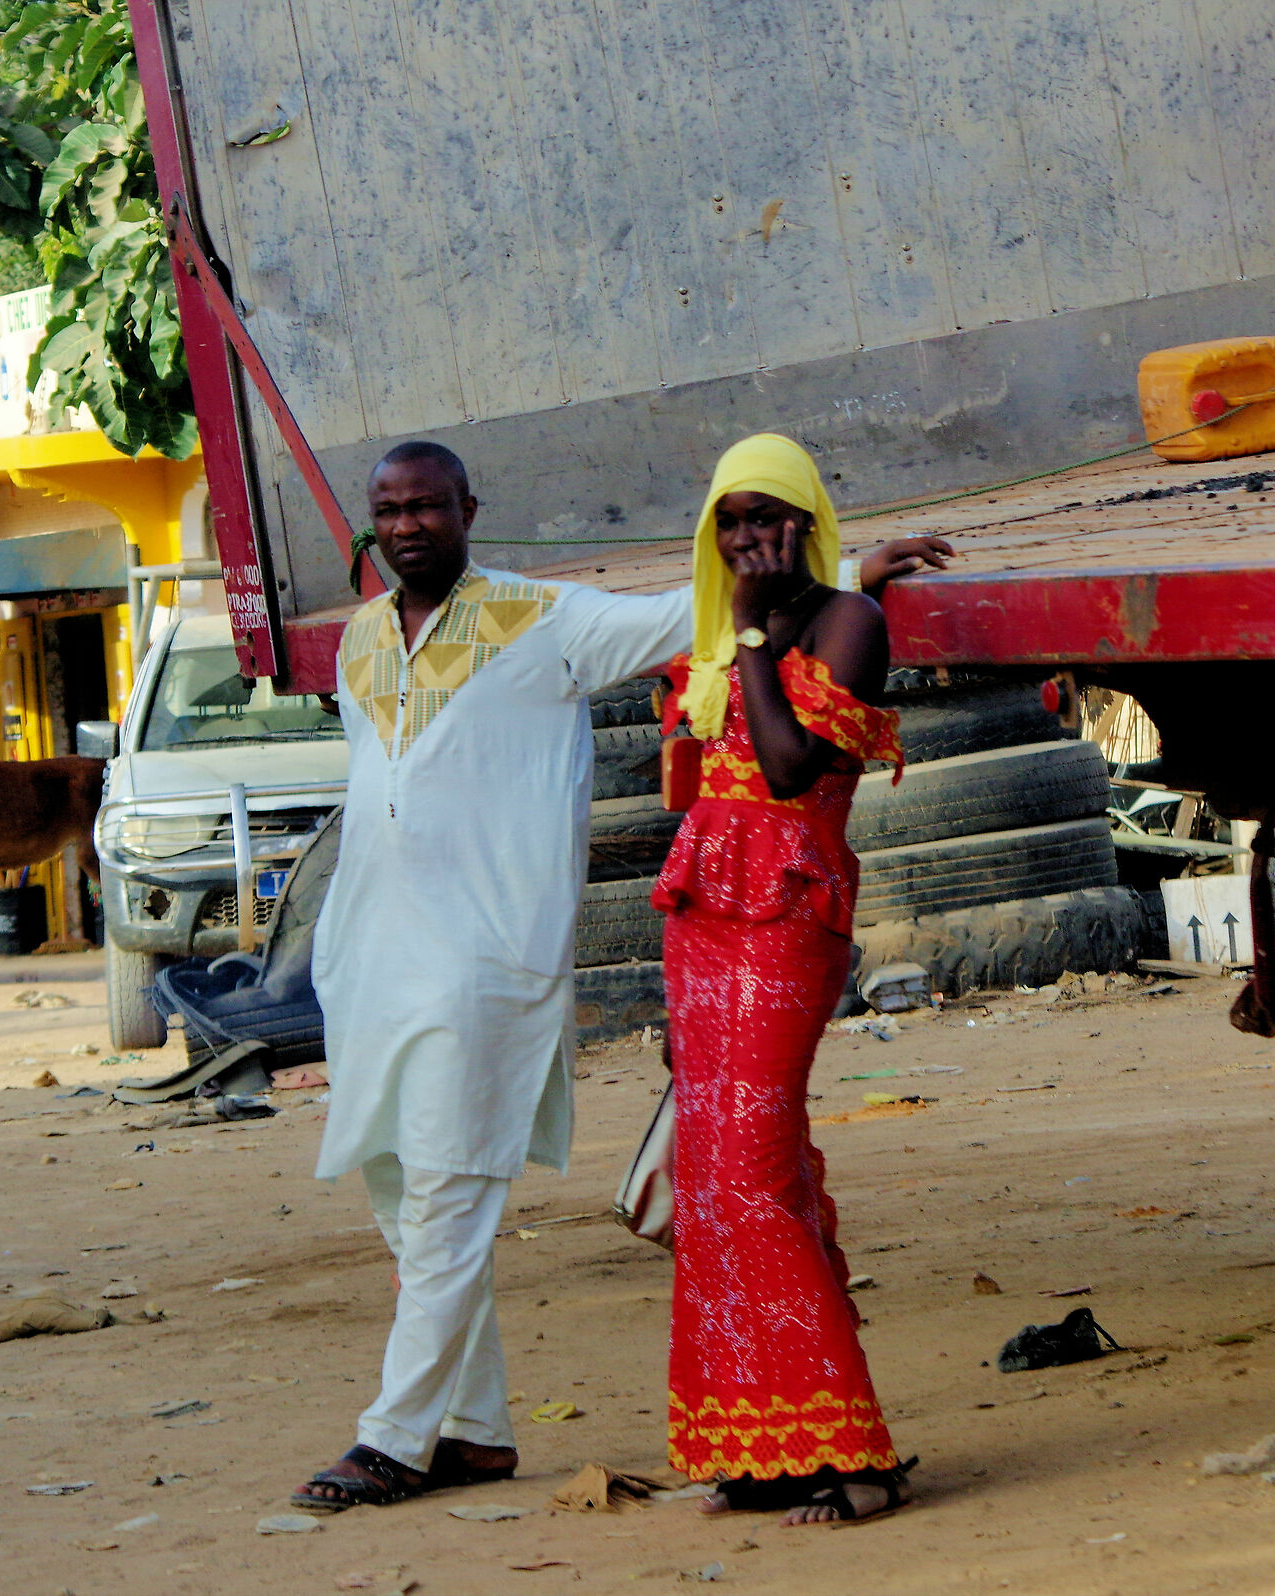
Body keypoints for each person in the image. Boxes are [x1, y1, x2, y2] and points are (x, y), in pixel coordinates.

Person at [292, 440, 948, 1512]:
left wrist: (846, 570)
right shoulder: (361, 637)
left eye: (428, 507)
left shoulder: (543, 620)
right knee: (407, 1193)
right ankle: (478, 1430)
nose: (407, 526)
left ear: (470, 508)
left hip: (498, 958)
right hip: (383, 954)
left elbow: (697, 620)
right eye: (389, 511)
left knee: (470, 1189)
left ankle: (394, 1438)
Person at [652, 433, 922, 1527]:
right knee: (710, 1183)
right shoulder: (716, 634)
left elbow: (788, 767)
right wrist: (744, 630)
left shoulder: (848, 623)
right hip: (702, 919)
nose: (747, 537)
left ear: (806, 520)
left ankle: (858, 1457)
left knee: (754, 1176)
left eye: (767, 516)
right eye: (730, 520)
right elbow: (699, 780)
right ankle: (762, 1450)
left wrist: (760, 634)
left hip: (787, 919)